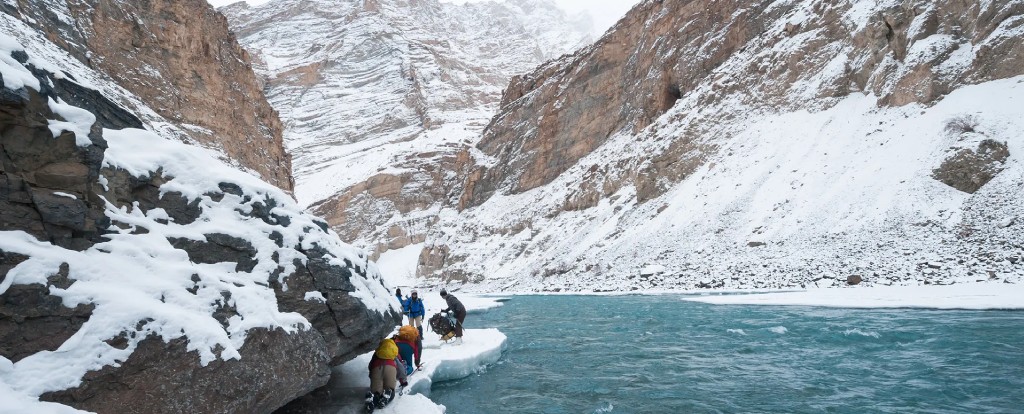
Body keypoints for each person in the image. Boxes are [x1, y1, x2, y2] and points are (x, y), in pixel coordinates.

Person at [367, 338, 406, 409]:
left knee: (376, 391)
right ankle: (386, 397)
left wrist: (371, 376)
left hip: (376, 367)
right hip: (390, 367)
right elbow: (401, 368)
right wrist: (403, 381)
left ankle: (373, 399)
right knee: (391, 389)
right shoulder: (394, 353)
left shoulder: (377, 353)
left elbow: (370, 366)